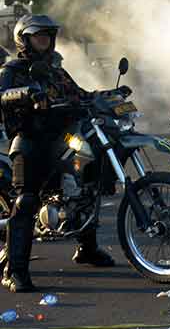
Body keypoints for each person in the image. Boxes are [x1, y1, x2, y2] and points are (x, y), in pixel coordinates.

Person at [0, 15, 114, 293]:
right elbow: (2, 94)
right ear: (25, 40)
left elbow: (79, 94)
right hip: (30, 140)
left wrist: (109, 95)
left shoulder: (54, 70)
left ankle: (88, 249)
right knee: (26, 201)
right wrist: (27, 93)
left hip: (60, 140)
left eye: (48, 37)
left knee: (88, 185)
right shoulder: (13, 69)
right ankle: (14, 270)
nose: (45, 41)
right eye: (39, 36)